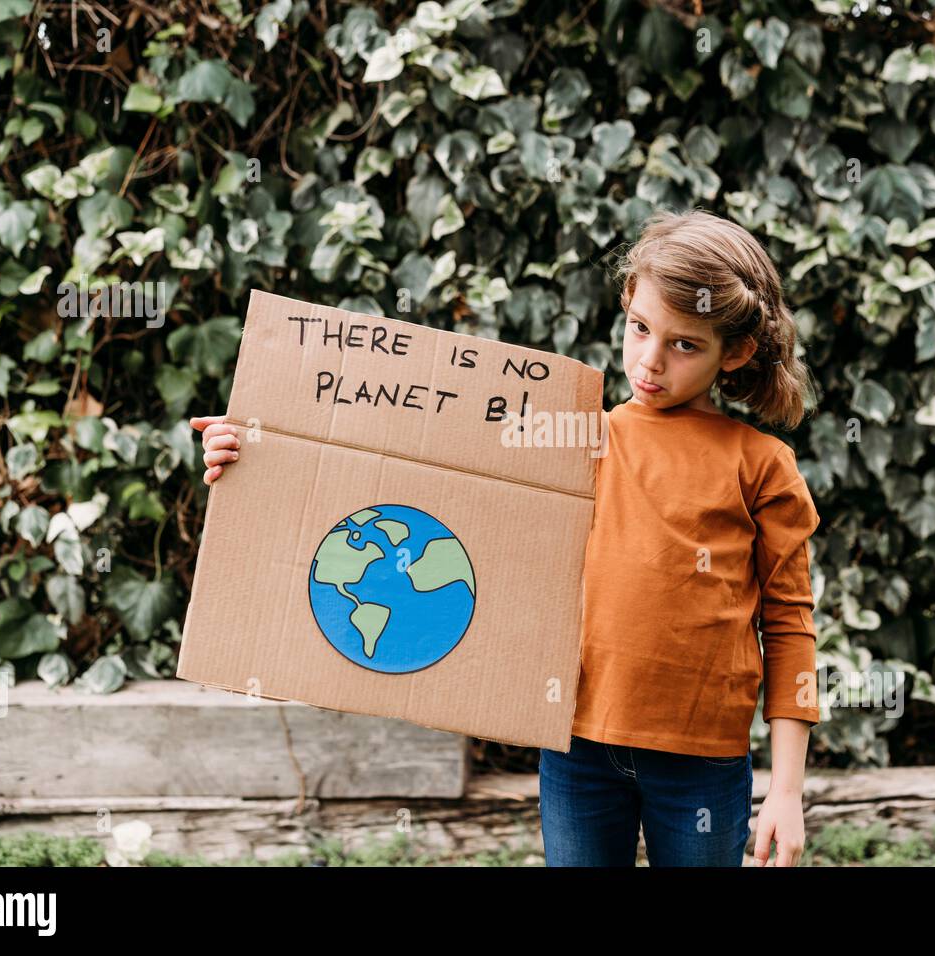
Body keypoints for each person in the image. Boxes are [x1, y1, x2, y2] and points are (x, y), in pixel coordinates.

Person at [191, 207, 822, 868]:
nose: (650, 360)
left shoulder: (762, 465)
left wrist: (785, 790)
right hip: (575, 750)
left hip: (703, 765)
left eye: (683, 344)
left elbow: (789, 626)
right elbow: (410, 471)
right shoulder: (574, 439)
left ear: (738, 351)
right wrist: (260, 451)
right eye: (639, 328)